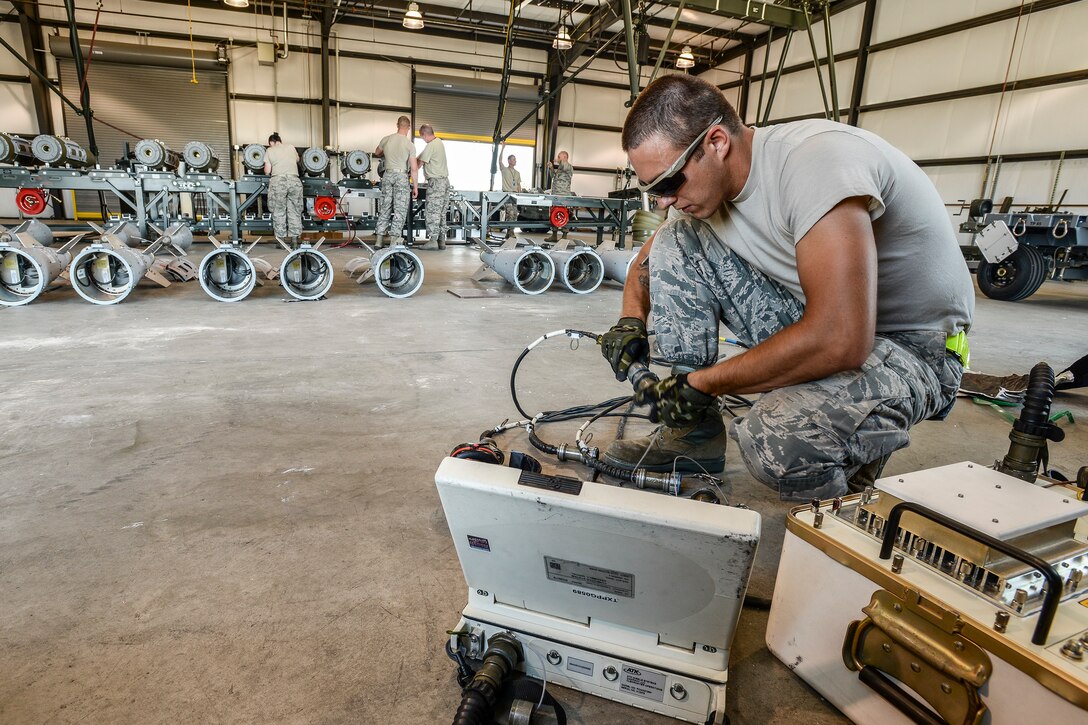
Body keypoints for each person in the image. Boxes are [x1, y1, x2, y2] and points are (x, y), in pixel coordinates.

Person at [599, 74, 974, 502]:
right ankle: (692, 436)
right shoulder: (708, 190)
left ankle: (841, 519)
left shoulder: (815, 163)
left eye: (667, 184)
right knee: (675, 239)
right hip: (831, 321)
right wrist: (630, 323)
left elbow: (842, 339)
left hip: (916, 347)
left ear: (717, 142)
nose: (662, 202)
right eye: (651, 191)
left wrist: (703, 384)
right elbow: (647, 260)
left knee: (776, 439)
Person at [373, 116, 419, 248]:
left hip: (387, 175)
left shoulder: (386, 139)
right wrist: (415, 187)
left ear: (397, 125)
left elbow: (377, 152)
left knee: (385, 207)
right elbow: (414, 169)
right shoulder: (409, 145)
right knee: (400, 209)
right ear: (408, 127)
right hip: (401, 176)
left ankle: (379, 240)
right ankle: (393, 241)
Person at [263, 132, 303, 246]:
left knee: (278, 210)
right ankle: (295, 240)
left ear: (271, 142)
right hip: (294, 180)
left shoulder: (270, 151)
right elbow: (296, 159)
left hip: (278, 182)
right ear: (280, 141)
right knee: (294, 210)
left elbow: (267, 170)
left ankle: (281, 242)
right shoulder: (291, 147)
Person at [417, 124, 451, 250]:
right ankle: (442, 240)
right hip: (445, 182)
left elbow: (420, 163)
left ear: (424, 134)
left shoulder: (431, 145)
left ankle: (432, 240)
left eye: (422, 137)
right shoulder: (439, 143)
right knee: (441, 212)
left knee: (432, 211)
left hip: (436, 183)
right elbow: (421, 156)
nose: (423, 140)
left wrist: (410, 171)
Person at [499, 154, 521, 236]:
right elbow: (500, 161)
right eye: (513, 159)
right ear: (509, 161)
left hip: (515, 195)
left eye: (515, 159)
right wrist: (502, 149)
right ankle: (510, 231)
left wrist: (520, 194)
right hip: (507, 194)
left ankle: (510, 231)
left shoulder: (517, 173)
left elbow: (518, 185)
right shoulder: (504, 170)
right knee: (510, 213)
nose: (515, 161)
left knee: (515, 214)